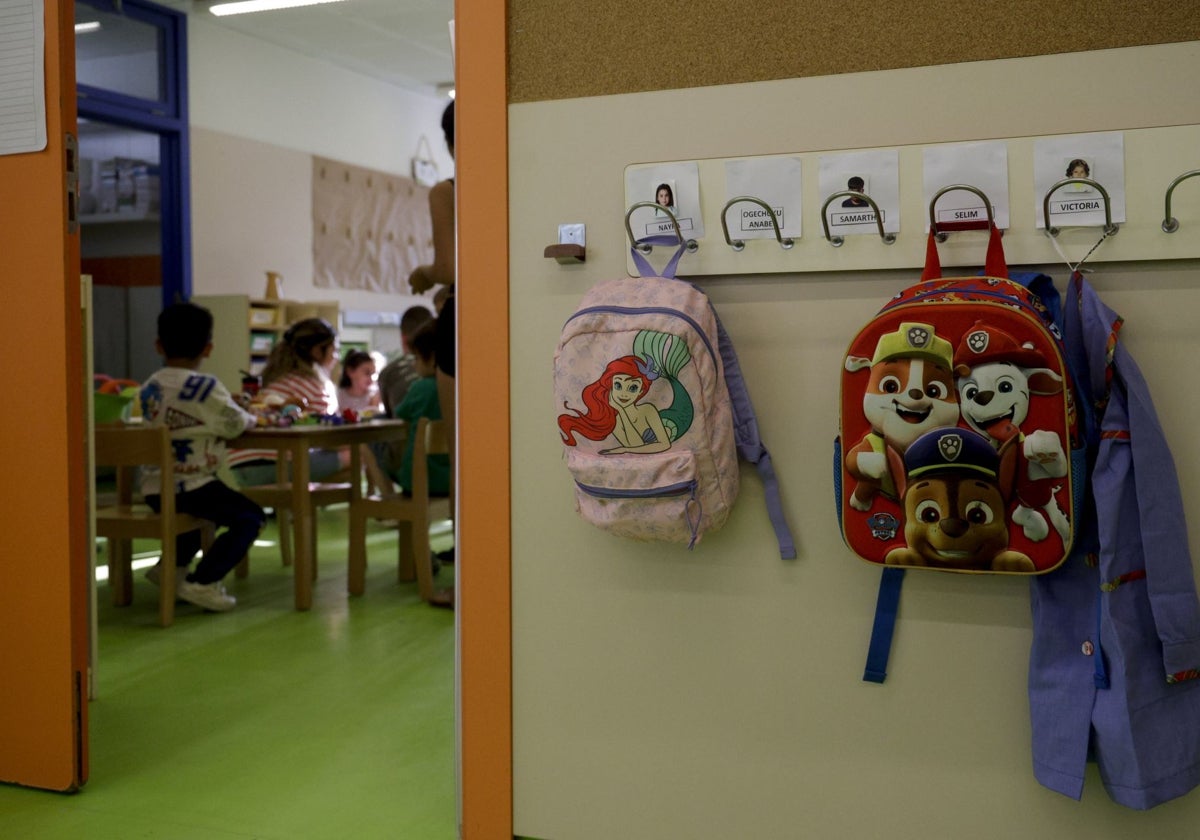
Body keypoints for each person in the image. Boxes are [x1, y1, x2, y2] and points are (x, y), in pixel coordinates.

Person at [138, 302, 266, 612]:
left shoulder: (149, 386)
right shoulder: (206, 385)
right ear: (208, 348)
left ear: (158, 345)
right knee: (251, 518)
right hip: (190, 484)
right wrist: (251, 416)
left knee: (202, 516)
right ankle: (203, 581)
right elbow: (235, 424)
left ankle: (171, 569)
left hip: (154, 488)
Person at [227, 318, 348, 486]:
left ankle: (296, 507)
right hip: (276, 466)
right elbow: (327, 436)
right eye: (334, 350)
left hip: (240, 468)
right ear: (317, 352)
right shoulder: (317, 386)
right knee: (360, 453)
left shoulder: (274, 378)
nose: (336, 357)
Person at [408, 101, 457, 511]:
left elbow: (449, 267)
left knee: (465, 455)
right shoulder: (510, 181)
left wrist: (424, 274)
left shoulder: (447, 191)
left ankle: (468, 567)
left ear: (448, 142)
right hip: (507, 316)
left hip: (463, 320)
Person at [388, 324, 454, 608]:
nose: (413, 365)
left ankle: (386, 511)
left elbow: (399, 415)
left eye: (416, 359)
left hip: (419, 483)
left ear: (430, 359)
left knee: (372, 450)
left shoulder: (421, 388)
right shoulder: (457, 391)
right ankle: (421, 553)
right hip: (449, 481)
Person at [336, 349, 382, 415]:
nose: (371, 379)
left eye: (373, 374)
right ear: (350, 371)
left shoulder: (374, 395)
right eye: (367, 373)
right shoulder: (339, 396)